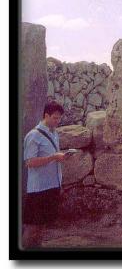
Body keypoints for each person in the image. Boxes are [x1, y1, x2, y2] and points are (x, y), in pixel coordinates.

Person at [22, 101, 68, 249]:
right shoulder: (33, 136)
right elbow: (29, 162)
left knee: (42, 227)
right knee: (33, 227)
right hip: (38, 189)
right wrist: (53, 157)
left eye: (59, 118)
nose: (57, 121)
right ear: (46, 115)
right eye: (55, 118)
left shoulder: (54, 133)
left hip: (52, 186)